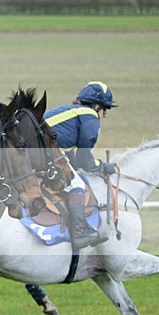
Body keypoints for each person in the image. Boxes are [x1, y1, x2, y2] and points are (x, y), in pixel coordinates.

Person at [43, 81, 117, 250]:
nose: (104, 115)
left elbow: (72, 159)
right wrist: (103, 166)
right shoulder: (90, 116)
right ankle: (79, 234)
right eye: (105, 109)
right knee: (75, 184)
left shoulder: (70, 111)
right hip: (44, 151)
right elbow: (85, 160)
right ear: (97, 105)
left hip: (39, 150)